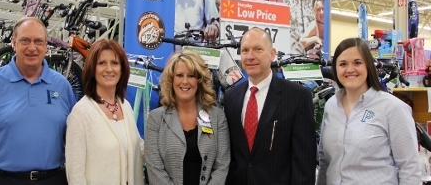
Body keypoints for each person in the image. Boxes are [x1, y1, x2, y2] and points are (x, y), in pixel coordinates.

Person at [0, 17, 76, 185]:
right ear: (14, 43)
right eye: (25, 41)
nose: (32, 48)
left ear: (46, 46)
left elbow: (74, 140)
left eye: (38, 41)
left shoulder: (62, 86)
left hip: (51, 179)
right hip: (0, 179)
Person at [317, 37, 421, 184]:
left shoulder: (392, 108)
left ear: (368, 66)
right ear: (335, 69)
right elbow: (325, 162)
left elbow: (409, 168)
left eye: (357, 63)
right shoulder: (331, 106)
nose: (350, 69)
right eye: (343, 64)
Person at [224, 27, 316, 184]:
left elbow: (304, 162)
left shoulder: (297, 97)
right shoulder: (231, 97)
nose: (250, 56)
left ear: (272, 54)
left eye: (258, 49)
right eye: (245, 50)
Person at [65, 39, 144, 185]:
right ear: (92, 69)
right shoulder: (81, 113)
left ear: (122, 69)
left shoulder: (125, 106)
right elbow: (75, 173)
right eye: (102, 63)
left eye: (114, 63)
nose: (109, 69)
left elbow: (137, 148)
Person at [145, 50, 230, 184]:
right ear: (171, 80)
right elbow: (154, 168)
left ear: (199, 80)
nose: (185, 81)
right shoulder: (155, 119)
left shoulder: (218, 117)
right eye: (179, 75)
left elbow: (222, 165)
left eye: (191, 76)